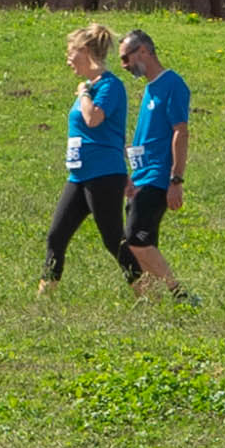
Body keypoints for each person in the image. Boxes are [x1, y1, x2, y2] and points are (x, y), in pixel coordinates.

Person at [39, 23, 139, 296]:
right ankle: (45, 297)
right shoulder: (91, 86)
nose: (68, 59)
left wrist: (84, 93)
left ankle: (147, 291)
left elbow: (93, 119)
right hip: (79, 174)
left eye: (71, 52)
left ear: (84, 51)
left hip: (103, 175)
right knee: (56, 236)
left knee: (112, 239)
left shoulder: (109, 86)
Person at [118, 28, 195, 301]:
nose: (125, 66)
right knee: (143, 242)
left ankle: (180, 294)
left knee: (135, 240)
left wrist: (176, 179)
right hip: (141, 178)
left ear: (143, 52)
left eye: (126, 59)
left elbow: (180, 132)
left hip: (157, 177)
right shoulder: (151, 89)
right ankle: (152, 302)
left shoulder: (171, 84)